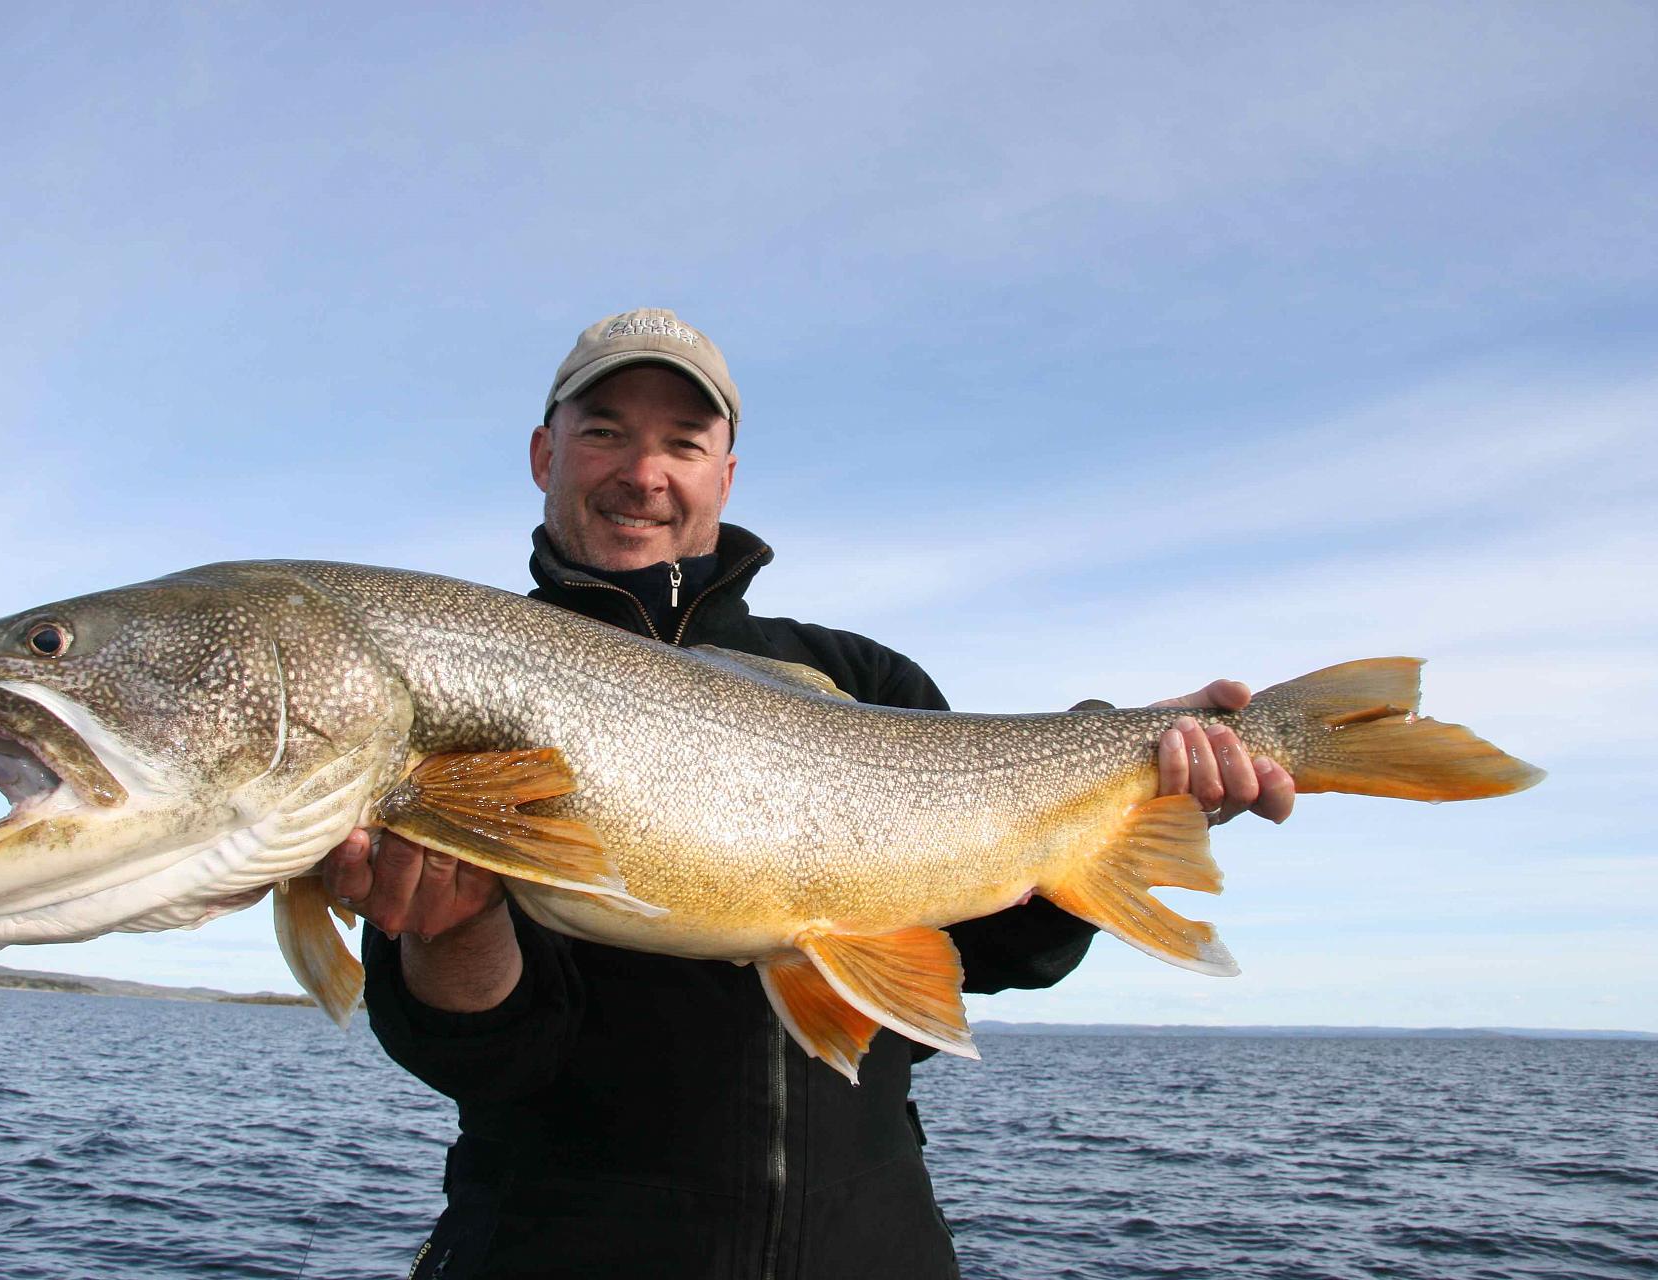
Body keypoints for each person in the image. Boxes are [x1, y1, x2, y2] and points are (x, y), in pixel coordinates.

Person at [323, 309, 1295, 1278]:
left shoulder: (868, 678)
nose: (643, 471)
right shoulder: (466, 679)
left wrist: (1130, 795)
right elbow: (485, 1060)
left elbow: (999, 952)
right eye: (606, 430)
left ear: (727, 474)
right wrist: (454, 931)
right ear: (546, 453)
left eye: (683, 442)